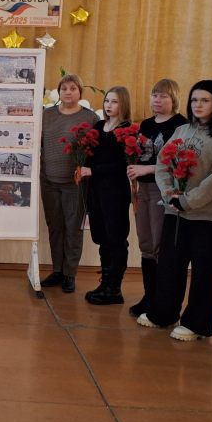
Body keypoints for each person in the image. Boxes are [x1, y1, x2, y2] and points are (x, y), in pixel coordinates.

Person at [138, 80, 212, 341]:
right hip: (176, 211)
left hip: (209, 214)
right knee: (170, 265)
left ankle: (196, 323)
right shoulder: (181, 130)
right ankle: (164, 313)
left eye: (205, 100)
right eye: (194, 100)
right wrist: (169, 194)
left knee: (205, 271)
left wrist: (188, 200)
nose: (198, 105)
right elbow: (163, 164)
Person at [126, 79, 187, 317]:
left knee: (160, 244)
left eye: (163, 96)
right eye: (154, 95)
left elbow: (179, 163)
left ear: (174, 99)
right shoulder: (146, 124)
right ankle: (149, 296)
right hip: (142, 189)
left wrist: (147, 169)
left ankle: (163, 299)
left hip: (163, 190)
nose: (157, 100)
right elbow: (140, 154)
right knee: (146, 244)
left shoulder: (181, 125)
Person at [39, 73, 98, 294]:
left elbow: (95, 151)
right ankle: (57, 270)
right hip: (49, 181)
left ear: (79, 92)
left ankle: (70, 274)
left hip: (75, 184)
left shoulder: (90, 118)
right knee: (55, 227)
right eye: (64, 88)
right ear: (59, 91)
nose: (68, 92)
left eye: (73, 88)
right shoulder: (47, 115)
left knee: (73, 229)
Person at [79, 87, 132, 305]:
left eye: (115, 102)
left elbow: (122, 165)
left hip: (115, 192)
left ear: (123, 104)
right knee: (102, 237)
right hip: (96, 190)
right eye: (107, 101)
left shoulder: (127, 130)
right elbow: (90, 156)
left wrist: (93, 170)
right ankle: (106, 283)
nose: (109, 105)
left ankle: (114, 289)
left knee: (116, 238)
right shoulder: (99, 126)